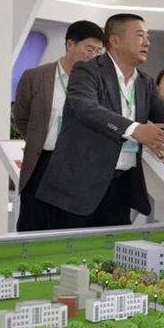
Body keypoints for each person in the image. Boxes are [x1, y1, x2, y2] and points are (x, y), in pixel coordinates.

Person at [37, 14, 164, 228]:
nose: (147, 42)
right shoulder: (87, 70)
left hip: (121, 188)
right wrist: (134, 129)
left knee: (114, 247)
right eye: (140, 35)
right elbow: (86, 108)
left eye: (148, 36)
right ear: (115, 41)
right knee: (73, 248)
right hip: (79, 189)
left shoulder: (144, 82)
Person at [12, 21, 106, 231]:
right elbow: (21, 117)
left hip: (77, 166)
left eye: (98, 51)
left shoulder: (99, 84)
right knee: (33, 225)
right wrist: (40, 139)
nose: (94, 56)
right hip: (42, 162)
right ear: (70, 44)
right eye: (89, 49)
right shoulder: (35, 77)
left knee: (69, 227)